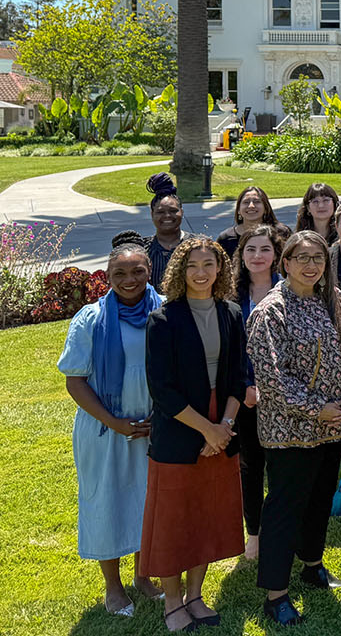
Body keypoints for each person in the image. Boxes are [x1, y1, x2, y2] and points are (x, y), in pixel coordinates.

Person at [248, 230, 341, 626]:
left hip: (335, 427)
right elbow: (272, 380)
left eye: (318, 258)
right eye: (302, 258)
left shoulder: (336, 300)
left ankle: (312, 565)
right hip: (289, 430)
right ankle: (276, 594)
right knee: (285, 507)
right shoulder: (270, 311)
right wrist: (318, 409)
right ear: (286, 263)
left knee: (320, 499)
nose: (311, 265)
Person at [141, 237, 248, 632]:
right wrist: (208, 430)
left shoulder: (232, 313)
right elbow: (162, 389)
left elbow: (239, 377)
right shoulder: (163, 320)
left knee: (206, 515)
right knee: (174, 520)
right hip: (180, 430)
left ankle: (195, 596)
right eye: (192, 266)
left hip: (224, 421)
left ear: (220, 269)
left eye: (208, 264)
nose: (201, 273)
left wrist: (225, 428)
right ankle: (172, 602)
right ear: (179, 271)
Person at [58, 244, 164, 616]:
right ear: (107, 275)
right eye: (119, 273)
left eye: (137, 271)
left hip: (153, 430)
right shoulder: (91, 319)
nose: (129, 280)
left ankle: (144, 576)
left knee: (147, 502)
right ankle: (113, 587)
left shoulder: (164, 310)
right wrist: (115, 422)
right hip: (105, 431)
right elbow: (75, 381)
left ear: (149, 270)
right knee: (108, 501)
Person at [230, 225, 284, 561]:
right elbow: (227, 351)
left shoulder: (290, 292)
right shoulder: (231, 297)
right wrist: (244, 389)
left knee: (281, 468)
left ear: (276, 254)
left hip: (284, 397)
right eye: (250, 250)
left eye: (264, 249)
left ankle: (281, 531)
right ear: (242, 256)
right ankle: (255, 534)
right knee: (250, 467)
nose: (257, 256)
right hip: (246, 398)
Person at [216, 186, 286, 259]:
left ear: (266, 208)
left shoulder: (281, 233)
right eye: (246, 202)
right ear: (238, 210)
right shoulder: (225, 239)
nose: (251, 206)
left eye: (257, 202)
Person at [142, 173, 184, 291]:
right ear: (152, 214)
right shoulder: (142, 249)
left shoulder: (196, 245)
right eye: (160, 212)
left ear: (182, 212)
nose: (167, 216)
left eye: (173, 211)